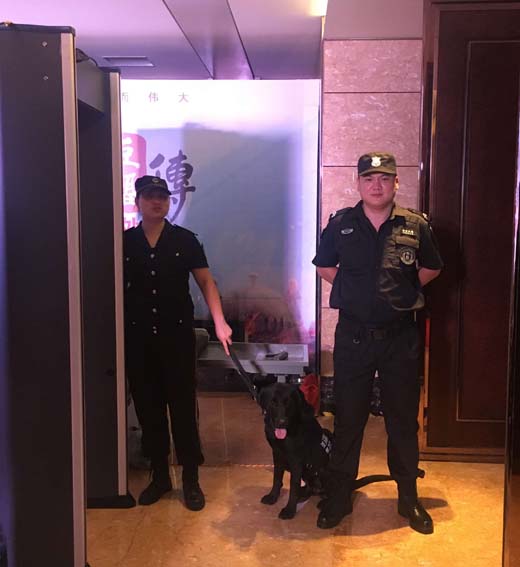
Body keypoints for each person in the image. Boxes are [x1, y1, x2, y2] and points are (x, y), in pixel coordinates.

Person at [313, 152, 443, 533]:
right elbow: (324, 265)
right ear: (357, 183)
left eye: (384, 178)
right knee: (348, 418)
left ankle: (408, 498)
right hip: (353, 337)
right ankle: (339, 497)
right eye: (369, 178)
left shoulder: (414, 225)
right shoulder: (341, 224)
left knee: (402, 420)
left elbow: (432, 267)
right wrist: (357, 291)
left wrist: (402, 290)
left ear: (396, 183)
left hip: (399, 338)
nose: (376, 185)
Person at [124, 175, 232, 510]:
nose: (156, 201)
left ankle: (191, 479)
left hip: (177, 337)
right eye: (149, 196)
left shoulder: (185, 240)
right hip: (138, 338)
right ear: (138, 202)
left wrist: (220, 321)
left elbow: (206, 282)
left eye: (162, 196)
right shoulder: (124, 242)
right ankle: (159, 476)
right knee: (149, 409)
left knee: (183, 409)